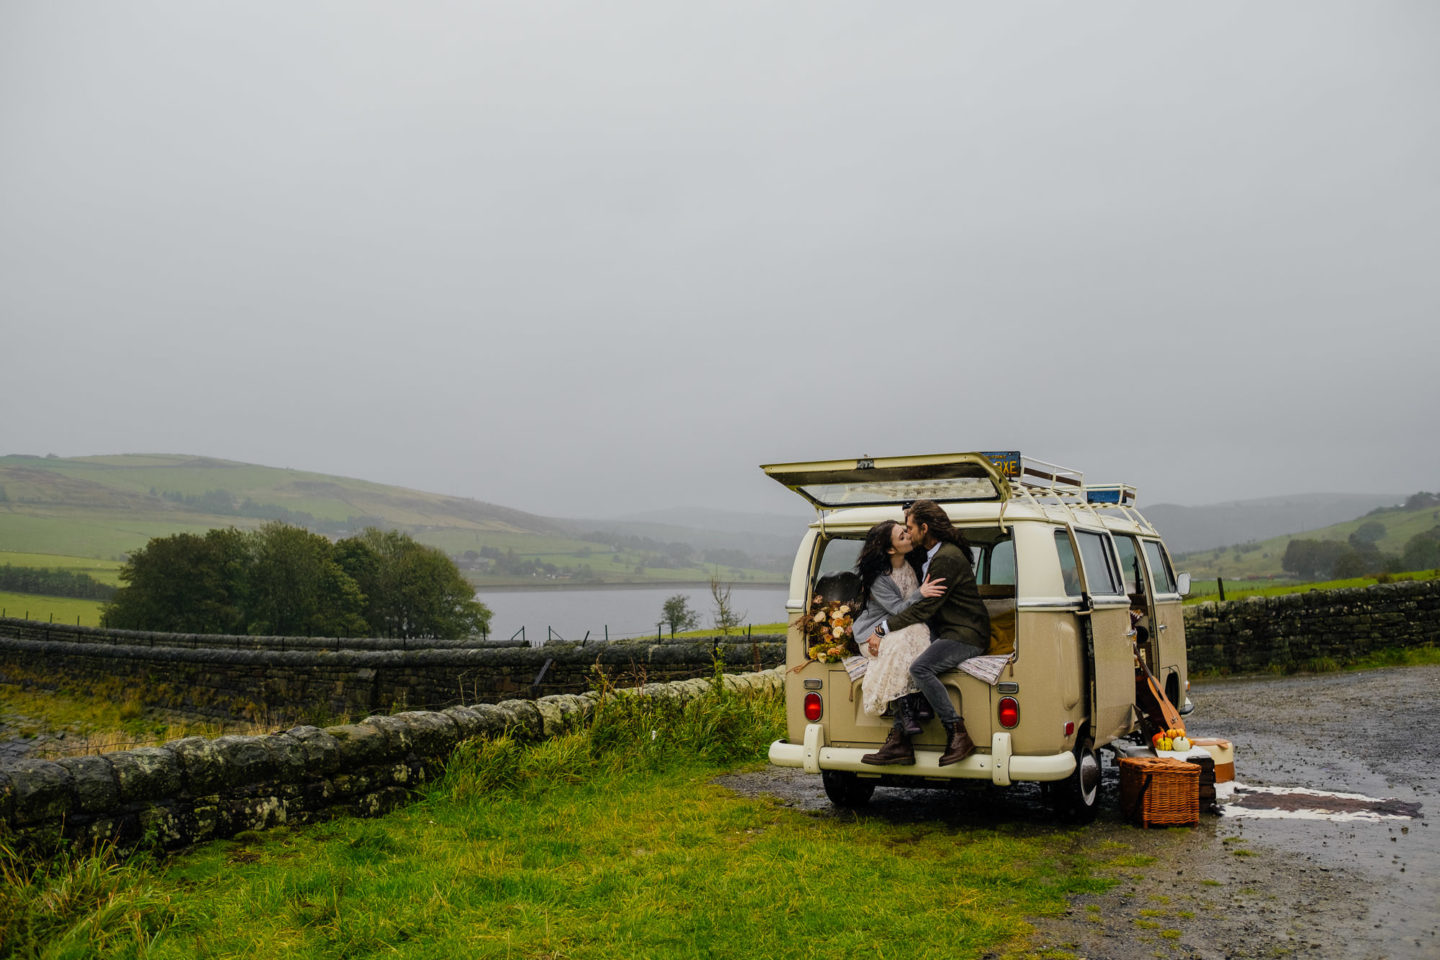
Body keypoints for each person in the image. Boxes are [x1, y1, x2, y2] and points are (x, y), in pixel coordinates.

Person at [861, 499, 990, 767]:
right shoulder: (931, 554)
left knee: (919, 668)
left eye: (910, 527)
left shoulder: (947, 559)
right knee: (906, 654)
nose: (908, 533)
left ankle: (958, 733)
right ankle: (900, 741)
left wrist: (883, 629)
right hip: (947, 631)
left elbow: (922, 608)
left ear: (925, 528)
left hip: (965, 634)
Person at [849, 520, 947, 756]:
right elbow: (898, 610)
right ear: (891, 549)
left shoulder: (911, 562)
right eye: (902, 536)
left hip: (903, 628)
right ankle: (906, 706)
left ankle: (912, 706)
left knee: (919, 632)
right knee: (910, 635)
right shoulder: (878, 578)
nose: (908, 536)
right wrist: (921, 593)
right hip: (872, 634)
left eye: (906, 531)